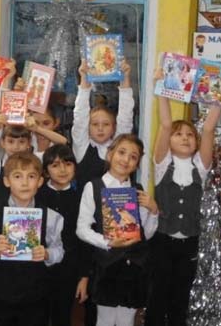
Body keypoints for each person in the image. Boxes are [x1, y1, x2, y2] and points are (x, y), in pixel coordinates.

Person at [145, 65, 221, 326]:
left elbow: (209, 129)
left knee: (180, 298)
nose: (185, 138)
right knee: (157, 295)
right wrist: (160, 88)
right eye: (179, 134)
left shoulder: (200, 167)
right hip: (162, 241)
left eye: (190, 135)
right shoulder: (162, 164)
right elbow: (166, 124)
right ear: (168, 140)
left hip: (189, 242)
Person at [76, 134, 159, 326]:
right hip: (107, 265)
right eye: (121, 152)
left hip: (135, 266)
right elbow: (81, 228)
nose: (126, 159)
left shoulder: (138, 190)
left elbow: (146, 234)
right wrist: (107, 242)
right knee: (104, 320)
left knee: (127, 321)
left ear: (137, 164)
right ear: (110, 154)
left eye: (133, 157)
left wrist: (153, 211)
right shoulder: (93, 187)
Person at [0, 152, 65, 326]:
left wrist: (47, 254)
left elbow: (59, 251)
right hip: (1, 297)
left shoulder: (52, 217)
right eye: (17, 176)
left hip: (37, 298)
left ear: (40, 181)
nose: (25, 183)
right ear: (7, 181)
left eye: (31, 176)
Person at [37, 145, 91, 326]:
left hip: (69, 268)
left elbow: (85, 241)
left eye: (67, 164)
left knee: (63, 316)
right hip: (39, 267)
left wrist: (84, 277)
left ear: (75, 167)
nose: (62, 170)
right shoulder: (36, 195)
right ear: (46, 171)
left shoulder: (82, 197)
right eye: (55, 165)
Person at [72, 58, 134, 189]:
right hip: (86, 202)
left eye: (106, 124)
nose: (100, 129)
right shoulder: (81, 146)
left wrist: (125, 77)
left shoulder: (118, 146)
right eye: (95, 124)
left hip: (118, 201)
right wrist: (84, 77)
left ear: (114, 128)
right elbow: (80, 116)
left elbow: (126, 117)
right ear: (87, 127)